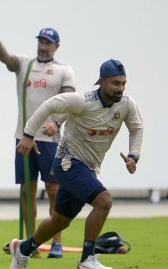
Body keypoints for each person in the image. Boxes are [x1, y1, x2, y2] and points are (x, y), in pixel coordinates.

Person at [9, 59, 143, 269]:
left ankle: (23, 249)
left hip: (88, 168)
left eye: (123, 83)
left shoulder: (126, 104)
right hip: (67, 162)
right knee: (104, 201)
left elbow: (136, 128)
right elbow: (50, 104)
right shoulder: (83, 101)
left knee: (60, 222)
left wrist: (134, 156)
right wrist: (28, 135)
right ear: (101, 81)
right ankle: (87, 259)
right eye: (115, 83)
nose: (121, 88)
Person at [0, 18, 76, 258]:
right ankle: (31, 243)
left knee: (55, 190)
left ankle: (56, 242)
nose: (43, 46)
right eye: (41, 41)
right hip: (23, 137)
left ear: (56, 46)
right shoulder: (25, 64)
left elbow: (70, 104)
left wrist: (56, 122)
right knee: (27, 191)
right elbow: (5, 57)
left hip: (50, 140)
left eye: (48, 42)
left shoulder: (63, 71)